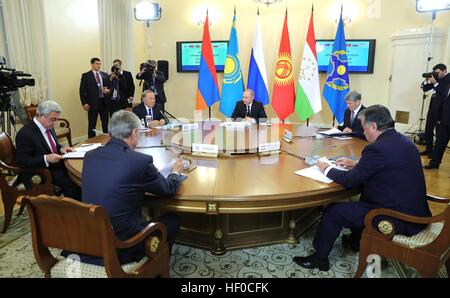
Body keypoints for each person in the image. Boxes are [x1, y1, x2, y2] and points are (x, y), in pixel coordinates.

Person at [293, 105, 431, 271]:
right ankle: (355, 240)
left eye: (364, 128)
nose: (363, 133)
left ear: (373, 126)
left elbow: (350, 181)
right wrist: (357, 163)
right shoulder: (403, 141)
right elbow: (388, 164)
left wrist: (326, 168)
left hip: (396, 218)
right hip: (415, 211)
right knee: (362, 197)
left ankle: (319, 259)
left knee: (333, 211)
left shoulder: (377, 148)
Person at [73, 110, 185, 265]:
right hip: (122, 245)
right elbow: (168, 189)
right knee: (173, 220)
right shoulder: (139, 161)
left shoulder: (91, 155)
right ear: (134, 133)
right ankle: (157, 268)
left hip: (90, 238)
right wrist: (175, 173)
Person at [15, 100, 81, 200]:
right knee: (72, 181)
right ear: (41, 115)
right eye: (53, 119)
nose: (55, 123)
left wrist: (62, 148)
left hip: (54, 166)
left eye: (56, 119)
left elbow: (52, 145)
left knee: (79, 174)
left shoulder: (48, 125)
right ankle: (75, 210)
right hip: (39, 172)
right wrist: (46, 158)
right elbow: (21, 161)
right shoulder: (25, 134)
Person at [420, 63, 450, 158]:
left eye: (438, 72)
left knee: (439, 132)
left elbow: (443, 91)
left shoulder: (448, 78)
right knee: (428, 129)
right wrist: (426, 80)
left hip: (441, 110)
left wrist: (435, 83)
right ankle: (429, 150)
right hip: (433, 107)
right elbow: (425, 89)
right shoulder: (436, 78)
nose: (437, 74)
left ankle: (435, 154)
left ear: (444, 70)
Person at [79, 57, 111, 138]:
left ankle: (107, 139)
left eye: (100, 64)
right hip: (92, 103)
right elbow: (82, 90)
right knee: (92, 124)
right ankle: (91, 141)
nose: (99, 65)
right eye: (97, 64)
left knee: (105, 123)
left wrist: (108, 90)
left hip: (104, 102)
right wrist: (84, 103)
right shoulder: (86, 76)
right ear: (92, 64)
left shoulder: (105, 74)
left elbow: (110, 87)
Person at [424, 86, 450, 169]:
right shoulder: (447, 88)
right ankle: (434, 163)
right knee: (439, 144)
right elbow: (441, 104)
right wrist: (438, 118)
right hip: (443, 122)